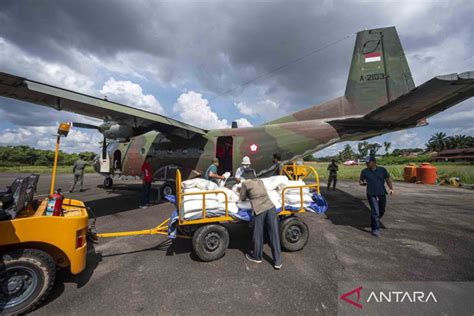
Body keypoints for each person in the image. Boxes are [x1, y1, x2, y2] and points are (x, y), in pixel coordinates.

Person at [240, 178, 282, 269]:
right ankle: (278, 261)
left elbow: (242, 198)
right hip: (271, 207)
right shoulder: (259, 181)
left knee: (258, 233)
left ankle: (257, 256)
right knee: (274, 234)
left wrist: (244, 192)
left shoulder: (244, 183)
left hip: (259, 210)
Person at [359, 156, 394, 237]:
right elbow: (361, 180)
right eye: (366, 162)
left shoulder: (382, 170)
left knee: (382, 210)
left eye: (368, 162)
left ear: (374, 162)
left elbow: (387, 179)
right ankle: (375, 229)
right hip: (371, 193)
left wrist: (391, 188)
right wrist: (362, 183)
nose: (366, 164)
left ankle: (374, 220)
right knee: (375, 211)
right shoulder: (364, 171)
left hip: (381, 192)